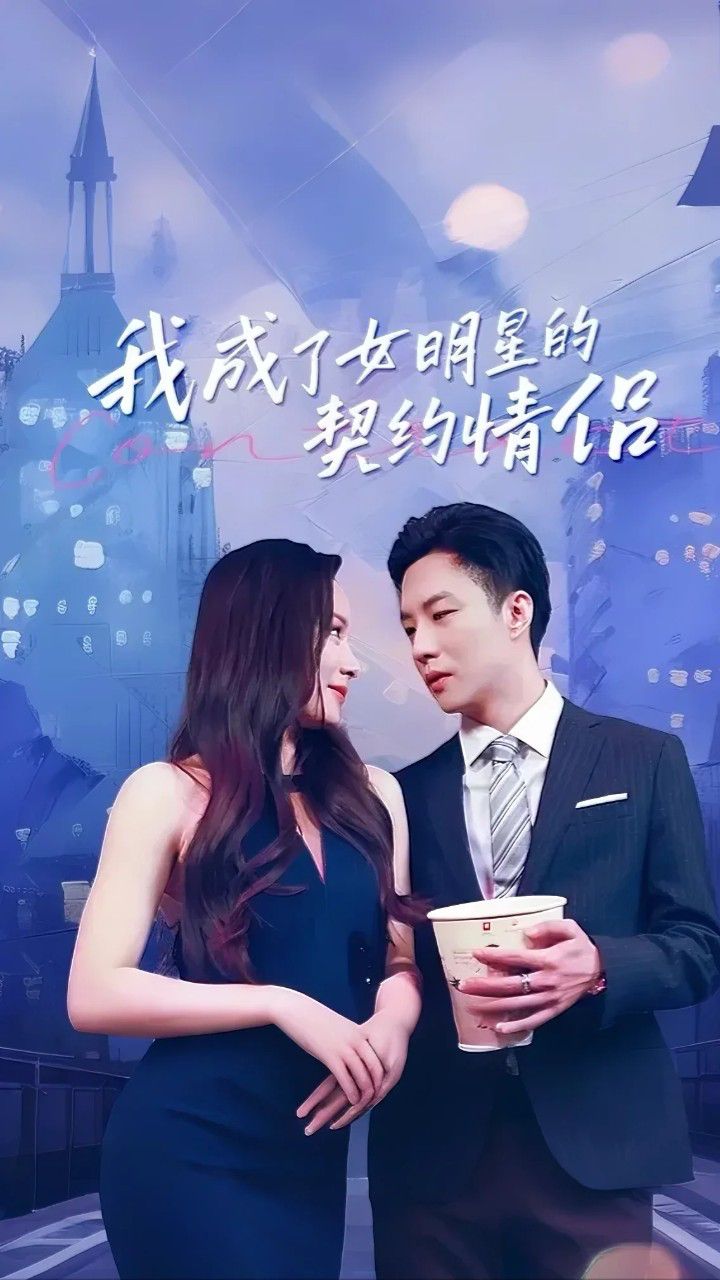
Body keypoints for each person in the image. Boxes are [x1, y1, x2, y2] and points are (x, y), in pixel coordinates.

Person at [368, 501, 720, 1280]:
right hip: (432, 1164)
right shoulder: (399, 795)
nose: (420, 646)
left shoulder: (643, 760)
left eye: (441, 615)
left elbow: (699, 946)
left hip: (595, 1153)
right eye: (408, 626)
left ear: (516, 611)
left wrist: (599, 967)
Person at [67, 539, 422, 1280]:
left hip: (309, 1158)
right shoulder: (166, 792)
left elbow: (398, 957)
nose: (353, 662)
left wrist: (394, 1020)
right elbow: (94, 993)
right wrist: (279, 1004)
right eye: (332, 633)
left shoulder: (377, 797)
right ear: (265, 634)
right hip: (191, 1148)